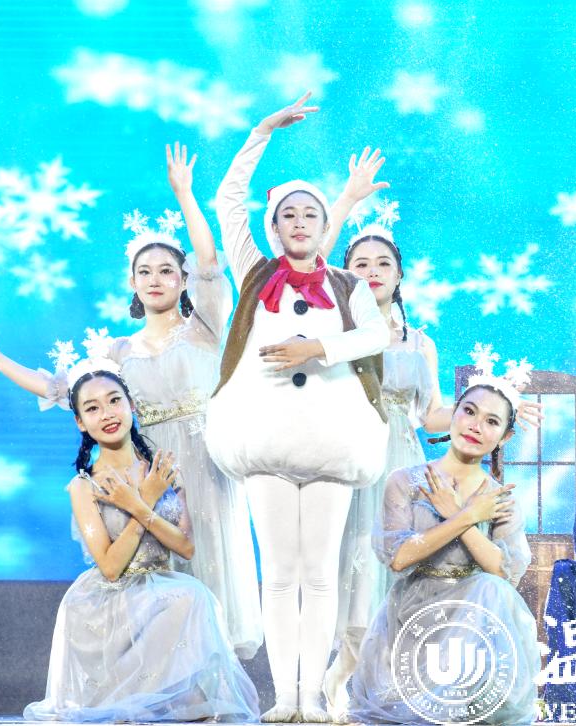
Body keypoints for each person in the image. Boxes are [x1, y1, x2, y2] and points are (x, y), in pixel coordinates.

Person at [0, 144, 262, 659]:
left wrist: (185, 194)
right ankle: (165, 677)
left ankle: (214, 678)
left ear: (182, 279)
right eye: (146, 271)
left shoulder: (206, 328)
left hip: (208, 465)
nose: (156, 279)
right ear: (132, 282)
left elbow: (211, 263)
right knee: (159, 577)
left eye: (167, 270)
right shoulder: (118, 352)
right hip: (148, 471)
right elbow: (61, 390)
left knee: (211, 565)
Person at [318, 160, 544, 718]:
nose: (372, 271)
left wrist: (495, 407)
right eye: (360, 263)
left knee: (392, 575)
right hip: (347, 456)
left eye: (383, 263)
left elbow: (432, 415)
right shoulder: (332, 332)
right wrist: (345, 201)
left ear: (400, 275)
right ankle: (345, 675)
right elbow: (308, 268)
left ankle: (401, 681)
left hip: (401, 455)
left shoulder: (420, 342)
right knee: (352, 572)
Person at [204, 92, 390, 723]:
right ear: (276, 226)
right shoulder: (255, 274)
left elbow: (377, 335)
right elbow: (228, 202)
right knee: (280, 574)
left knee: (321, 574)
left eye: (312, 213)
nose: (302, 222)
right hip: (268, 440)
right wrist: (261, 130)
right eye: (289, 214)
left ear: (323, 224)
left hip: (330, 441)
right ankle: (285, 696)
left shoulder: (348, 285)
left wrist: (320, 347)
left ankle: (314, 696)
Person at [23, 364, 258, 722]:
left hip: (161, 586)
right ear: (80, 423)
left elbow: (185, 547)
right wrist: (144, 500)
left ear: (131, 405)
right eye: (92, 408)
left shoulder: (162, 471)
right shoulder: (85, 486)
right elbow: (110, 567)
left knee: (194, 597)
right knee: (188, 598)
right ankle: (123, 701)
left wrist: (138, 502)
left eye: (114, 401)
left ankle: (171, 706)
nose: (107, 413)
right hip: (109, 602)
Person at [347, 358, 542, 725]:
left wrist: (457, 513)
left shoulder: (500, 498)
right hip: (415, 612)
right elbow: (399, 558)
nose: (476, 426)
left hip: (476, 620)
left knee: (490, 587)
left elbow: (504, 573)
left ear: (505, 437)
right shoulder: (404, 481)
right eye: (469, 411)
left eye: (492, 421)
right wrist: (466, 516)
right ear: (454, 413)